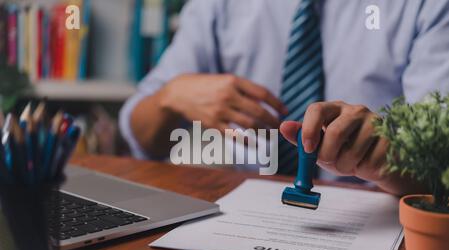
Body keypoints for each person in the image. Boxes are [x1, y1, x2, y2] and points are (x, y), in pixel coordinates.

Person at [119, 0, 449, 196]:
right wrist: (170, 95)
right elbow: (140, 133)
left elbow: (441, 161)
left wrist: (390, 158)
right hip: (240, 210)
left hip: (374, 221)